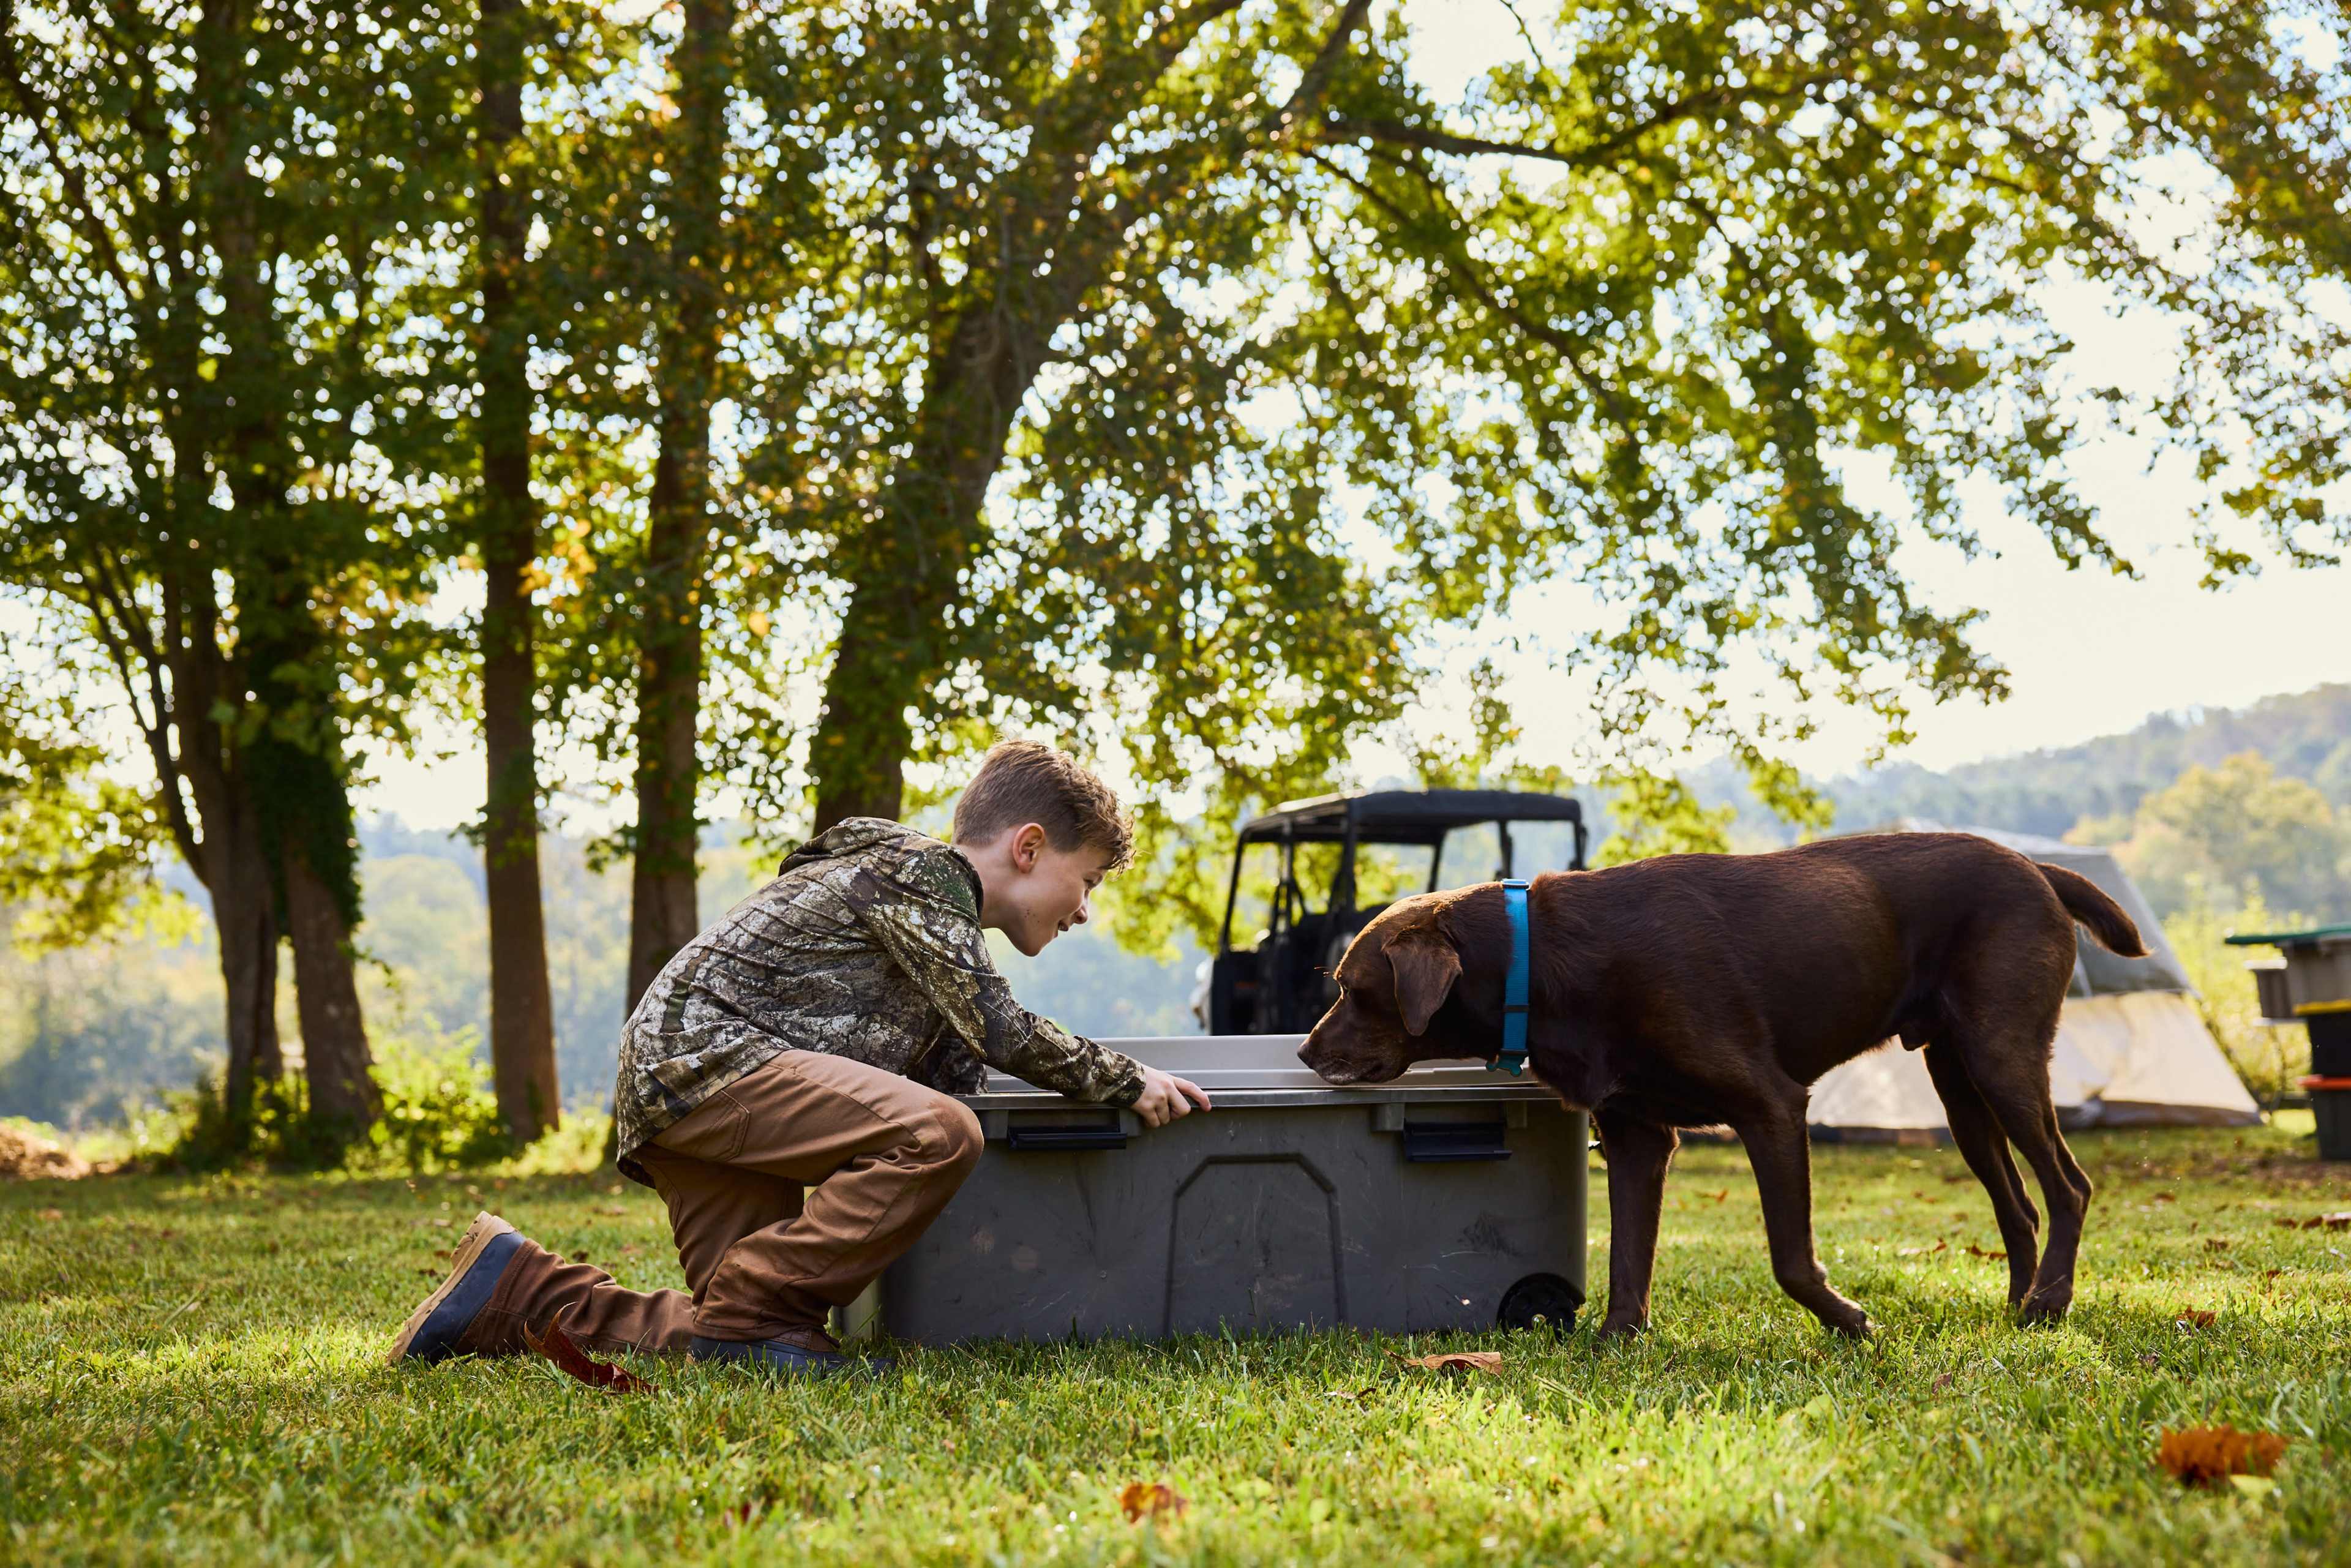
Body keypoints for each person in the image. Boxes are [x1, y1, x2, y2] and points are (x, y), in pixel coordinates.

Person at [388, 740, 1210, 1377]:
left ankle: (517, 1286)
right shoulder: (923, 878)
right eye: (1090, 879)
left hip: (687, 1086)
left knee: (743, 1339)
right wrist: (1128, 1079)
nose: (1086, 912)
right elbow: (1001, 1032)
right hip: (711, 1062)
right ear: (1029, 848)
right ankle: (753, 1298)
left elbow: (968, 1056)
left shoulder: (939, 945)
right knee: (942, 1135)